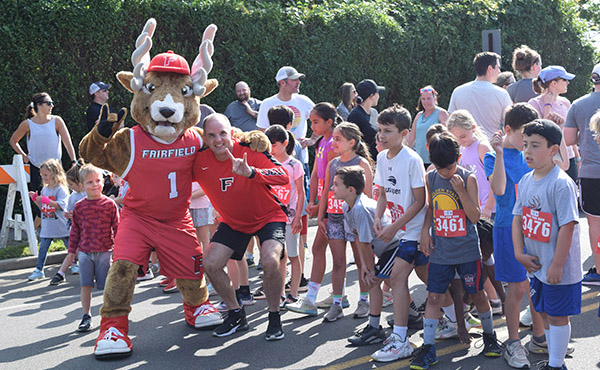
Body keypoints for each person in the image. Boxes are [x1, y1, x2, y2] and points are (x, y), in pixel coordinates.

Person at [193, 113, 289, 341]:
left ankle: (274, 317)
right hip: (233, 221)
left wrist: (252, 173)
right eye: (212, 135)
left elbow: (282, 176)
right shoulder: (199, 161)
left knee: (269, 260)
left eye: (223, 134)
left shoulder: (249, 149)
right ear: (204, 138)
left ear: (232, 133)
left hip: (268, 216)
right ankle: (236, 313)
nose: (218, 140)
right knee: (210, 264)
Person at [410, 132, 502, 369]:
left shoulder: (467, 178)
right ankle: (428, 348)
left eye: (449, 168)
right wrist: (424, 231)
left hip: (467, 250)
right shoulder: (432, 177)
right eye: (440, 169)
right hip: (441, 250)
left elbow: (474, 216)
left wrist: (461, 191)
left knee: (478, 294)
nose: (445, 173)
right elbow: (430, 207)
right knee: (433, 297)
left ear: (459, 158)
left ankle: (490, 337)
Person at [512, 119, 581, 370]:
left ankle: (556, 364)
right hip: (536, 265)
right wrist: (519, 253)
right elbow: (517, 217)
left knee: (557, 315)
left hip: (556, 268)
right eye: (526, 144)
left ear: (554, 150)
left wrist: (556, 265)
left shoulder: (561, 184)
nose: (527, 151)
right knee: (542, 312)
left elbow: (568, 226)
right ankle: (554, 360)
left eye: (535, 145)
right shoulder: (527, 179)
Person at [288, 122, 373, 321]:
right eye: (333, 138)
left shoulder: (362, 164)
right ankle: (336, 304)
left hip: (356, 219)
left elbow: (368, 197)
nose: (332, 143)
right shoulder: (333, 164)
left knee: (361, 261)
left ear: (351, 142)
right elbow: (326, 191)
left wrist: (363, 222)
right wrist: (321, 216)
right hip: (334, 218)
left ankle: (364, 301)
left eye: (337, 139)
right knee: (338, 262)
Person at [484, 103, 544, 368]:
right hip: (508, 228)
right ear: (507, 130)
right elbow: (498, 190)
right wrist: (498, 154)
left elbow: (561, 165)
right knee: (517, 288)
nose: (528, 143)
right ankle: (513, 342)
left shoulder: (529, 153)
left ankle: (540, 338)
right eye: (524, 136)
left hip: (534, 227)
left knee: (536, 286)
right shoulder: (492, 156)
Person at [369, 105, 427, 361]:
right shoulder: (381, 158)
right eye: (380, 130)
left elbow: (420, 201)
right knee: (428, 277)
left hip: (414, 231)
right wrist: (380, 218)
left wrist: (394, 226)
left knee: (396, 277)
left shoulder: (412, 160)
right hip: (399, 230)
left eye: (388, 131)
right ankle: (453, 316)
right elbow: (382, 193)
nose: (381, 136)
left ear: (404, 133)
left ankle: (401, 339)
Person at [67, 164, 120, 332]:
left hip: (105, 251)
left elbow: (118, 228)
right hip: (85, 252)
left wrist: (120, 249)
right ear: (82, 186)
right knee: (86, 285)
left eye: (98, 180)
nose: (95, 185)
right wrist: (71, 252)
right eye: (90, 182)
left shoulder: (110, 205)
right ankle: (86, 315)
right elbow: (75, 230)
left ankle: (109, 315)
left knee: (107, 286)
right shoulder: (80, 207)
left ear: (103, 182)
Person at [564, 63, 600, 286]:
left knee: (595, 223)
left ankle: (598, 269)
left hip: (591, 173)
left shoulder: (578, 104)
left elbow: (568, 140)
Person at [265, 125, 305, 305]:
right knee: (279, 256)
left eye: (273, 144)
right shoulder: (266, 162)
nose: (271, 148)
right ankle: (280, 292)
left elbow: (301, 192)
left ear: (285, 143)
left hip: (290, 218)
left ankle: (294, 292)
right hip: (272, 218)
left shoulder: (294, 164)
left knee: (294, 255)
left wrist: (297, 217)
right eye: (268, 144)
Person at [10, 92, 78, 196]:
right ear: (39, 105)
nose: (52, 105)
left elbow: (67, 142)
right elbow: (13, 141)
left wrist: (73, 160)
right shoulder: (27, 124)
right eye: (49, 103)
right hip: (37, 168)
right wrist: (23, 155)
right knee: (40, 201)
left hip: (56, 167)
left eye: (52, 103)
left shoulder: (57, 120)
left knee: (60, 198)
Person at [529, 65, 579, 181]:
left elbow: (569, 132)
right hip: (548, 159)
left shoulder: (566, 102)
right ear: (554, 83)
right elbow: (543, 130)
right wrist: (547, 105)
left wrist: (577, 157)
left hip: (569, 157)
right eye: (564, 79)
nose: (568, 83)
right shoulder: (534, 103)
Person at [256, 66, 315, 162]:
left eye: (298, 79)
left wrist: (313, 139)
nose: (298, 82)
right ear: (282, 83)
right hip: (275, 161)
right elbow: (262, 132)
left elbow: (323, 118)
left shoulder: (304, 101)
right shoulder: (267, 104)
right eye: (294, 80)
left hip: (300, 160)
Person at [448, 52, 513, 139]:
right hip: (492, 146)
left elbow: (450, 123)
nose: (499, 72)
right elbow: (509, 125)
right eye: (498, 68)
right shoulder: (502, 94)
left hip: (466, 147)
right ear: (490, 69)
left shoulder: (458, 91)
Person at [447, 110, 496, 218]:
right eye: (456, 138)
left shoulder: (482, 147)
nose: (460, 140)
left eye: (463, 136)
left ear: (473, 128)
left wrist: (488, 208)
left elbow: (496, 181)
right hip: (473, 208)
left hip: (488, 210)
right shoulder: (461, 148)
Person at [27, 159, 70, 281]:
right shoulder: (45, 190)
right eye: (42, 175)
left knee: (70, 247)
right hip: (48, 224)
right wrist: (36, 199)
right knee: (43, 248)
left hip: (60, 224)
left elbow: (61, 206)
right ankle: (39, 269)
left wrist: (44, 200)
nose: (43, 177)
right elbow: (43, 208)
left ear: (54, 173)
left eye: (45, 175)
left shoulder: (61, 189)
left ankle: (75, 264)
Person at [49, 161, 86, 285]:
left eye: (71, 184)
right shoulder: (73, 197)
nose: (70, 187)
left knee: (80, 252)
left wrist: (75, 215)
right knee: (72, 251)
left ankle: (93, 272)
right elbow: (69, 211)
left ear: (80, 183)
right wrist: (68, 215)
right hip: (77, 229)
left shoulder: (89, 194)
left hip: (89, 230)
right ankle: (60, 273)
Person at [406, 86, 449, 167]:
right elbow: (411, 138)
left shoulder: (441, 113)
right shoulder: (419, 115)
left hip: (435, 160)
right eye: (423, 99)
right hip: (419, 159)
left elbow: (447, 137)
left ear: (434, 98)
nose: (426, 102)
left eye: (429, 98)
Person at [347, 79, 385, 161]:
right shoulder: (355, 116)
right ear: (371, 95)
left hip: (376, 161)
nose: (379, 96)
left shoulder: (374, 113)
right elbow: (352, 142)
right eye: (377, 93)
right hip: (362, 162)